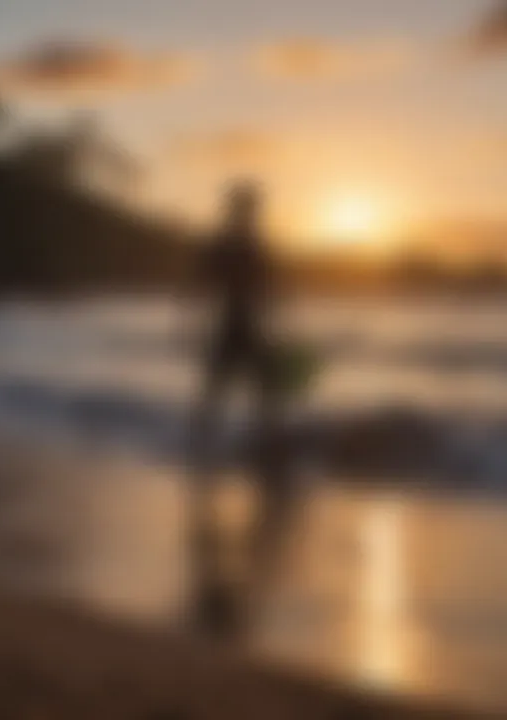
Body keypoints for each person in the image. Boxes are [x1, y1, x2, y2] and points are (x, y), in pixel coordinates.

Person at [189, 181, 291, 637]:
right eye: (251, 206)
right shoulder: (242, 244)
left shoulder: (233, 243)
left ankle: (213, 453)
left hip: (238, 329)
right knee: (249, 395)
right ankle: (261, 457)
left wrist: (187, 314)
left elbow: (200, 283)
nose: (254, 211)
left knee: (229, 394)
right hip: (240, 328)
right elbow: (251, 287)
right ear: (244, 209)